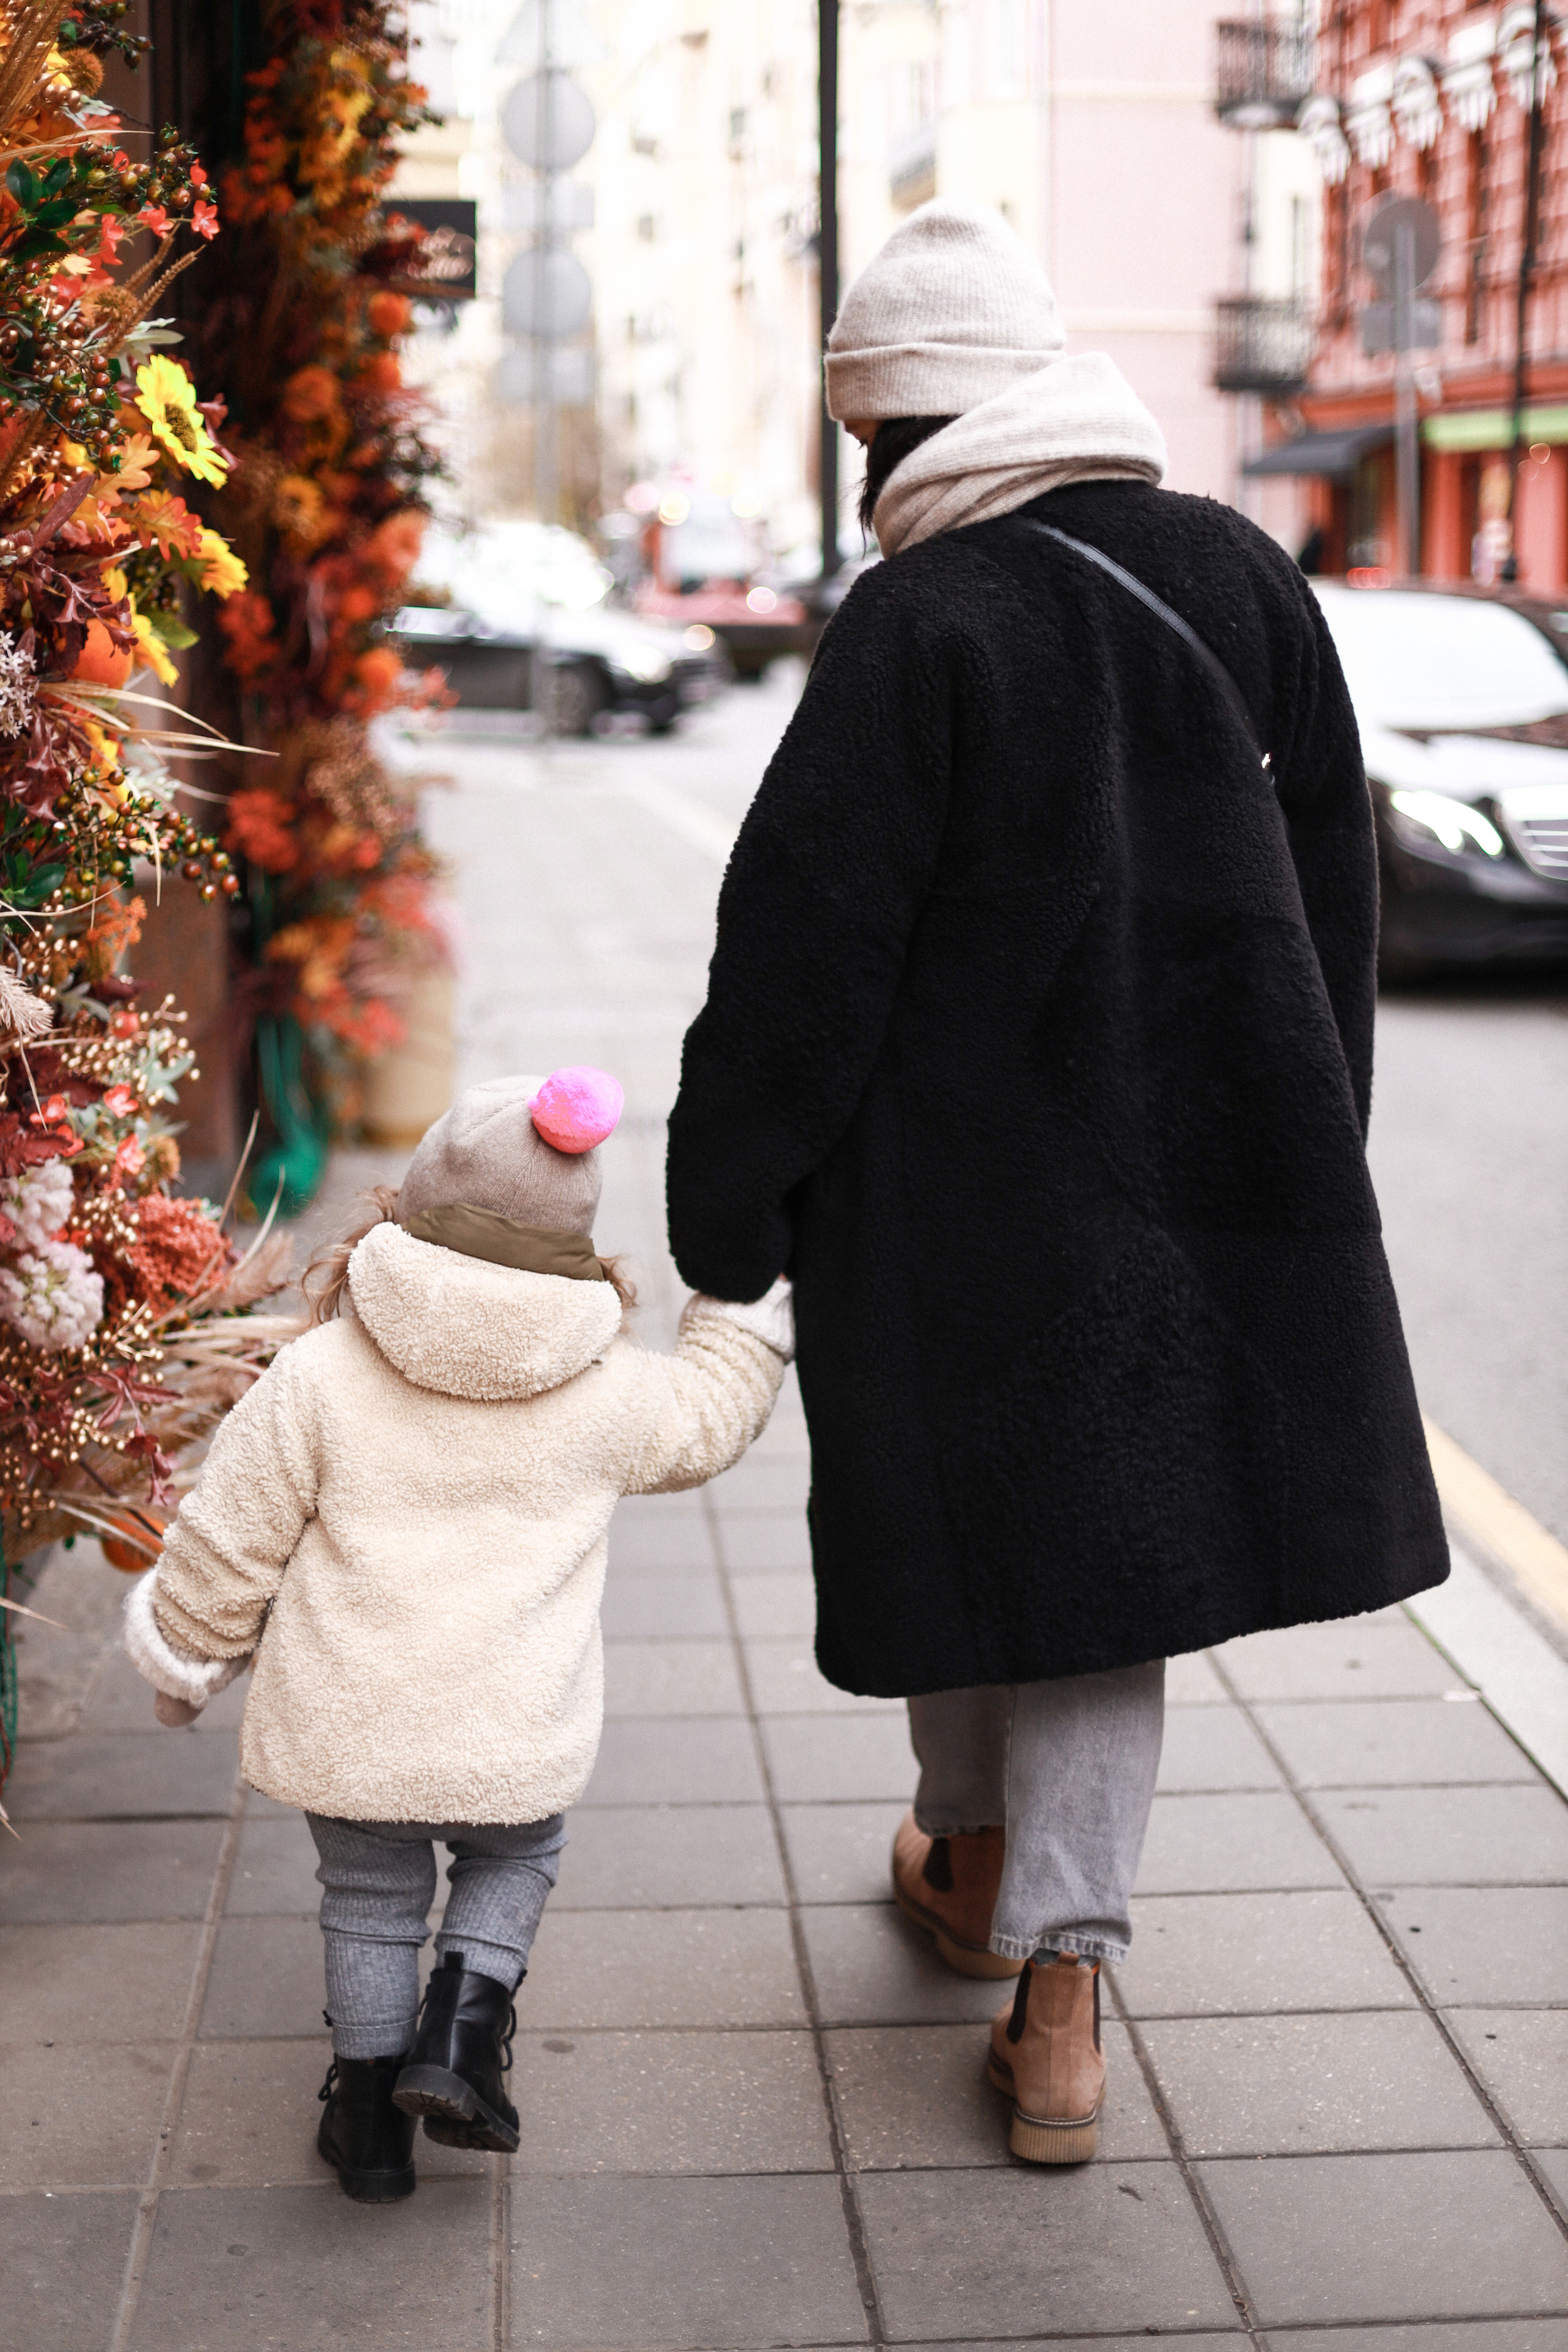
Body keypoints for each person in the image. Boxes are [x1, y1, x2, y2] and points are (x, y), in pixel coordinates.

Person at [665, 200, 1447, 2167]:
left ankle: (987, 1860)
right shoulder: (1245, 576)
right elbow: (1327, 903)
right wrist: (1306, 1145)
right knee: (1125, 1568)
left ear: (901, 424)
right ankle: (1059, 1990)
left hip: (951, 1208)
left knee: (966, 1524)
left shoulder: (922, 624)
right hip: (1197, 1192)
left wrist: (730, 1203)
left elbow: (804, 950)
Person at [125, 1068, 792, 2204]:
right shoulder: (603, 1392)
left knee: (371, 1902)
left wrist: (187, 1658)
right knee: (515, 1856)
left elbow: (230, 1534)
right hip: (511, 1733)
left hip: (352, 1729)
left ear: (413, 1209)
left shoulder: (320, 1376)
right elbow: (710, 1422)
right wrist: (741, 1316)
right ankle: (465, 2038)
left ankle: (372, 2130)